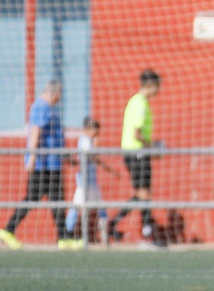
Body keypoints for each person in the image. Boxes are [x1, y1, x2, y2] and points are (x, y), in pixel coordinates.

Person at [0, 80, 71, 249]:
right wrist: (32, 156)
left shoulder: (49, 108)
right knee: (34, 197)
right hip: (44, 165)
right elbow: (35, 131)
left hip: (53, 163)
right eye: (59, 95)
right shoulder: (41, 107)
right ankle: (8, 230)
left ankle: (64, 238)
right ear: (55, 93)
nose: (59, 98)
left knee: (57, 200)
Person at [110, 69, 161, 245]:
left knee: (141, 194)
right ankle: (147, 234)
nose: (158, 89)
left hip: (132, 152)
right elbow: (137, 133)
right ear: (149, 85)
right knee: (144, 193)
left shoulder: (135, 101)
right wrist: (153, 147)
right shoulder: (140, 103)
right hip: (137, 152)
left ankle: (112, 224)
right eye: (157, 86)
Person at [66, 116, 105, 244]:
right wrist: (96, 147)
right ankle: (68, 232)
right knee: (77, 206)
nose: (97, 135)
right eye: (95, 131)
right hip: (84, 182)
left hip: (91, 181)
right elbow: (89, 156)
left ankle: (105, 231)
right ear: (88, 129)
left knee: (99, 207)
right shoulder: (85, 140)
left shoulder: (88, 140)